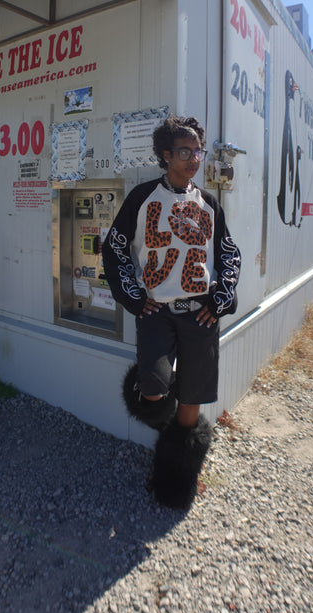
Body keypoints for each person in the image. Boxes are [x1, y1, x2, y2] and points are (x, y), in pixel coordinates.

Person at [102, 115, 241, 509]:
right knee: (153, 390)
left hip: (199, 314)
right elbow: (114, 248)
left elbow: (229, 255)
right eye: (185, 151)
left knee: (192, 400)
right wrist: (133, 297)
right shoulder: (142, 197)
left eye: (198, 151)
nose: (194, 158)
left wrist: (220, 299)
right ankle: (168, 426)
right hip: (157, 312)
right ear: (166, 155)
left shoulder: (209, 203)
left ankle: (177, 481)